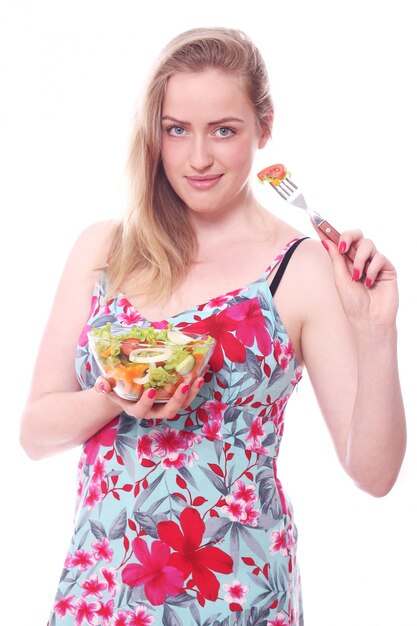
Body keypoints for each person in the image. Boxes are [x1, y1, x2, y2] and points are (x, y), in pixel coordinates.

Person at [20, 27, 406, 626]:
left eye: (224, 130)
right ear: (156, 133)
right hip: (104, 591)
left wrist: (377, 332)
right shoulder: (106, 250)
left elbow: (374, 473)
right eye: (177, 130)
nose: (198, 157)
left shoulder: (299, 269)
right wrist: (118, 396)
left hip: (239, 593)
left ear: (264, 128)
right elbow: (35, 432)